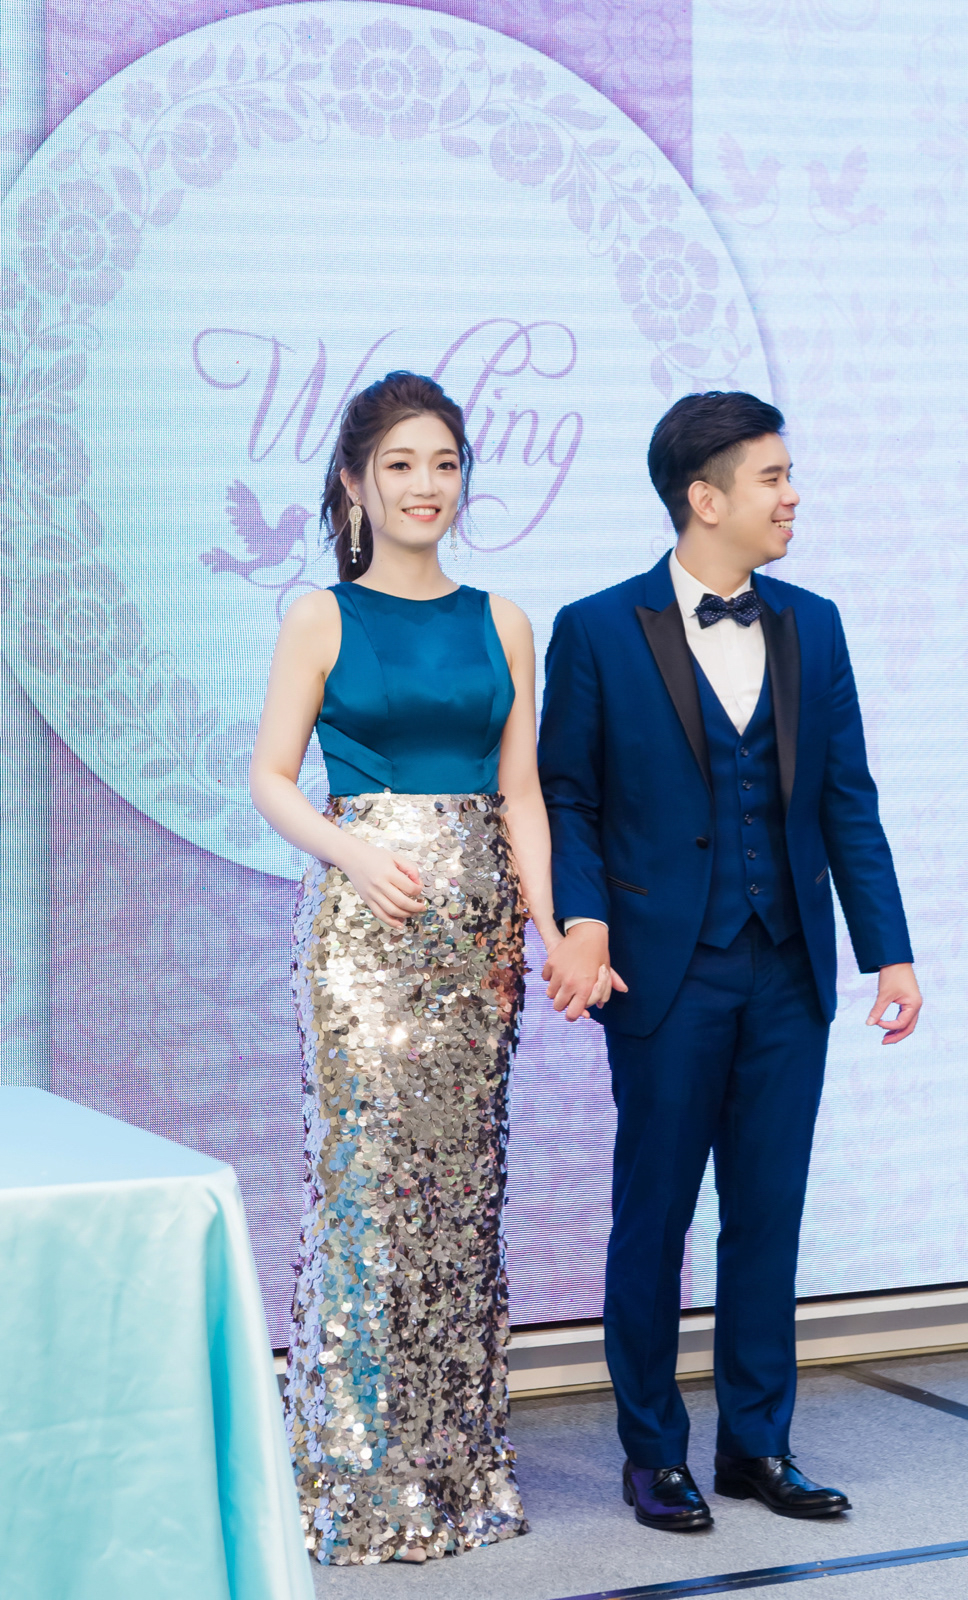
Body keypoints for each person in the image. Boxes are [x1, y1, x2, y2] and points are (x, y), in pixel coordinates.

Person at [538, 391, 922, 1532]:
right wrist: (582, 920)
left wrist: (888, 952)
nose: (792, 495)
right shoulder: (596, 629)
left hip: (789, 970)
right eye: (772, 477)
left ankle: (757, 1445)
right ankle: (653, 1452)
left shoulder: (815, 624)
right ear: (704, 499)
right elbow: (567, 797)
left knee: (768, 1214)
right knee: (652, 1218)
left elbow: (847, 799)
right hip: (663, 974)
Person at [250, 371, 611, 1565]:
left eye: (444, 462)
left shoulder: (502, 619)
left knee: (461, 1198)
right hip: (362, 939)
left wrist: (554, 929)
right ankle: (353, 1480)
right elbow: (268, 778)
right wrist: (354, 851)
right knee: (366, 1192)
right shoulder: (319, 616)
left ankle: (454, 1472)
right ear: (355, 482)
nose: (425, 485)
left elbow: (521, 796)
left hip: (476, 946)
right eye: (400, 463)